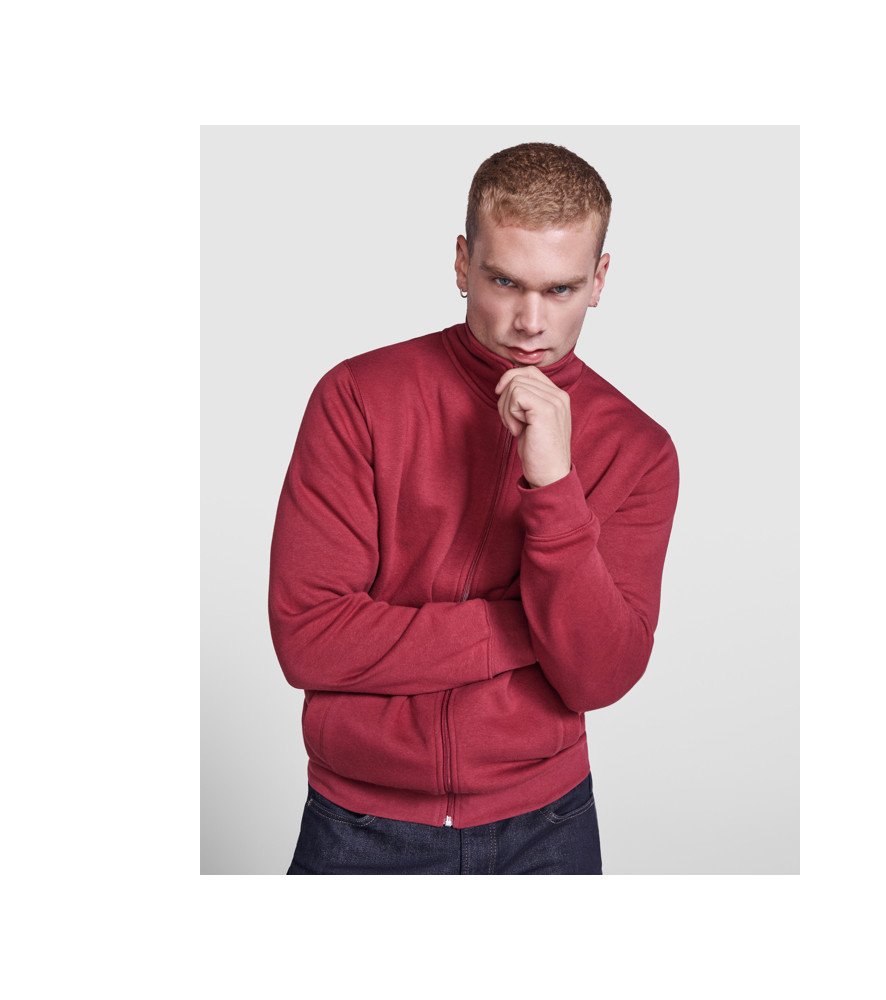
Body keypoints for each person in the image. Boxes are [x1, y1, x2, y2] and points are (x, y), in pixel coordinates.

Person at [268, 141, 680, 875]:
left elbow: (599, 676)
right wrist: (523, 627)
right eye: (504, 281)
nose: (530, 321)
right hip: (360, 823)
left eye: (560, 289)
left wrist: (554, 484)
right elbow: (309, 637)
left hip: (548, 826)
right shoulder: (357, 398)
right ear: (462, 264)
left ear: (598, 281)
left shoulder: (637, 449)